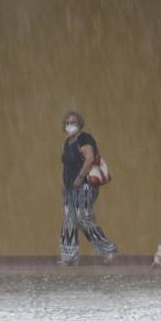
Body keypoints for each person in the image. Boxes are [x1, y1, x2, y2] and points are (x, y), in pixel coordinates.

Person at [60, 110, 116, 265]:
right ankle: (69, 257)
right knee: (69, 220)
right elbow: (67, 167)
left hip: (84, 186)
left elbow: (90, 158)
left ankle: (107, 250)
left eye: (74, 122)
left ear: (80, 124)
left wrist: (79, 178)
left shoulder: (84, 138)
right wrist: (65, 186)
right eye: (68, 122)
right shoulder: (67, 143)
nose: (70, 125)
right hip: (70, 188)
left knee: (84, 218)